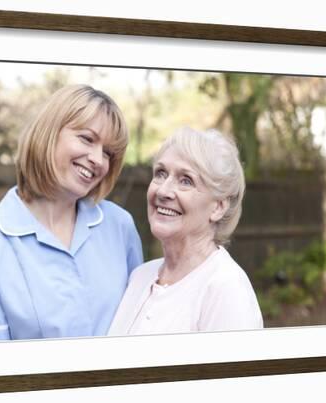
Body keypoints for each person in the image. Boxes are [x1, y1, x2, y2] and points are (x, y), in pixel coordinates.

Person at [0, 84, 143, 341]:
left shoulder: (120, 226)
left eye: (108, 153)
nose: (97, 159)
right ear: (49, 133)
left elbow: (140, 327)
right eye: (87, 139)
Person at [108, 127, 263, 336]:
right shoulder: (140, 277)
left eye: (186, 180)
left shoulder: (226, 288)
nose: (163, 191)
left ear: (218, 207)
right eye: (161, 174)